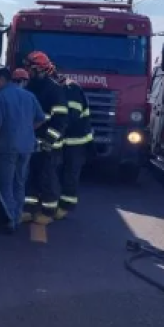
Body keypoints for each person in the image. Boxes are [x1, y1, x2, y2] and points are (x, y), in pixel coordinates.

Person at [0, 67, 47, 229]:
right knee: (20, 183)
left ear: (4, 79)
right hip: (27, 146)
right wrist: (27, 129)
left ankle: (9, 220)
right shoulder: (30, 96)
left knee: (6, 183)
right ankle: (17, 216)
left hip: (7, 146)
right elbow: (41, 119)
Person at [22, 51, 69, 225]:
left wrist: (49, 141)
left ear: (40, 69)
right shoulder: (30, 87)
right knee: (30, 177)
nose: (28, 72)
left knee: (48, 178)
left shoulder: (53, 90)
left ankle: (49, 211)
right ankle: (29, 209)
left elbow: (61, 120)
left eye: (30, 68)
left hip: (49, 145)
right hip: (32, 143)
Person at [56, 75, 94, 220]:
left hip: (76, 141)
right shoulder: (63, 88)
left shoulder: (71, 89)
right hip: (67, 140)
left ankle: (66, 207)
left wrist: (55, 130)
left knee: (70, 174)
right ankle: (59, 203)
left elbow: (71, 116)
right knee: (62, 172)